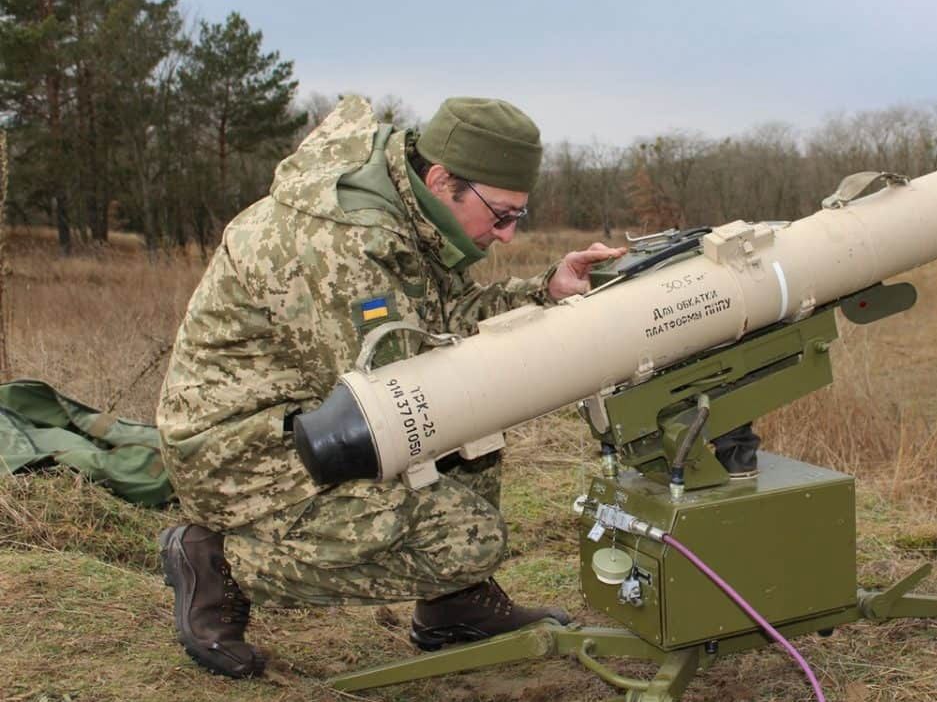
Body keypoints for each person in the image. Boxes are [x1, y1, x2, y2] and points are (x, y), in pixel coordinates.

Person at [156, 95, 624, 678]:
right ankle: (219, 561)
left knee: (478, 428)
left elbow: (438, 323)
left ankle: (455, 605)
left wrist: (543, 292)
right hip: (238, 450)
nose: (504, 236)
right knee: (469, 535)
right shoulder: (349, 244)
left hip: (309, 413)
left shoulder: (409, 211)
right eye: (500, 215)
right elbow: (399, 394)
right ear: (441, 178)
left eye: (517, 219)